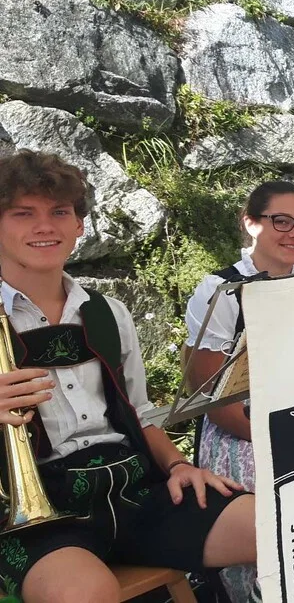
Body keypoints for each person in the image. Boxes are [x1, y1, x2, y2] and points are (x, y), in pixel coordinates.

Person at [0, 150, 255, 603]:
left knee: (277, 525)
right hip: (38, 516)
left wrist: (178, 465)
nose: (45, 226)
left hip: (133, 490)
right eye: (23, 213)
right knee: (86, 593)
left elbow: (138, 412)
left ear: (79, 226)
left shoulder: (109, 313)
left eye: (60, 212)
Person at [183, 181, 294, 600]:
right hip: (244, 428)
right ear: (250, 224)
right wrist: (278, 435)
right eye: (281, 221)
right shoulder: (221, 291)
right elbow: (209, 396)